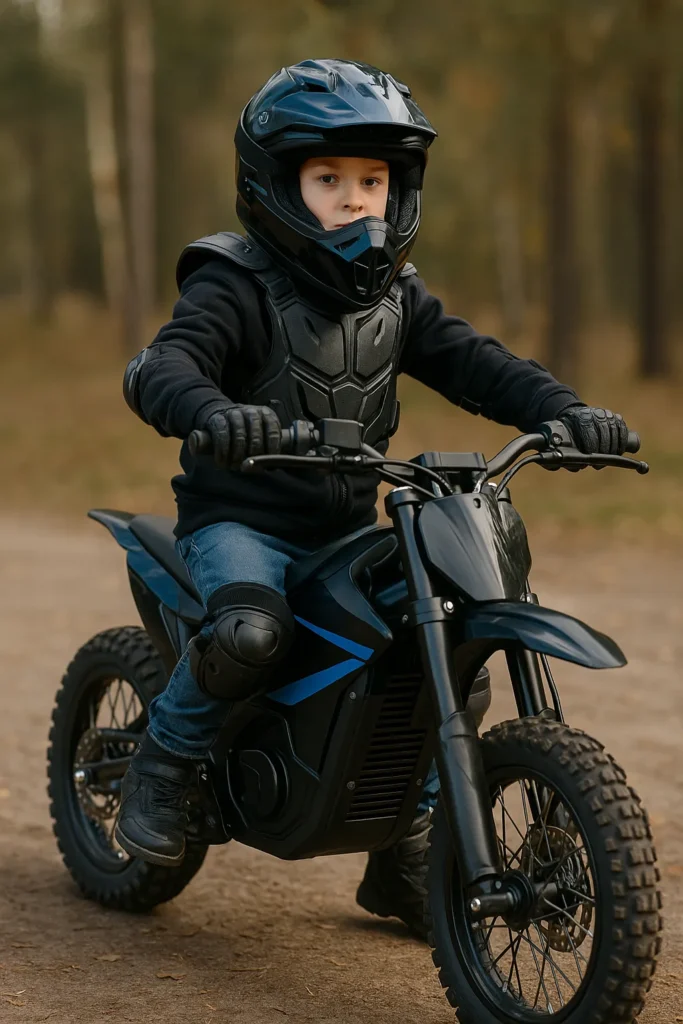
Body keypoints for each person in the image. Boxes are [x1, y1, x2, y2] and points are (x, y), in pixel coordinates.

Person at [115, 58, 632, 939]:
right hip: (243, 524)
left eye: (373, 181)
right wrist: (212, 412)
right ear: (273, 187)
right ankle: (160, 769)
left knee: (442, 653)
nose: (356, 201)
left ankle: (403, 858)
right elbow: (164, 366)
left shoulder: (398, 297)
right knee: (250, 632)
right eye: (329, 180)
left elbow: (477, 364)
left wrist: (564, 412)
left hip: (347, 525)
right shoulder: (231, 283)